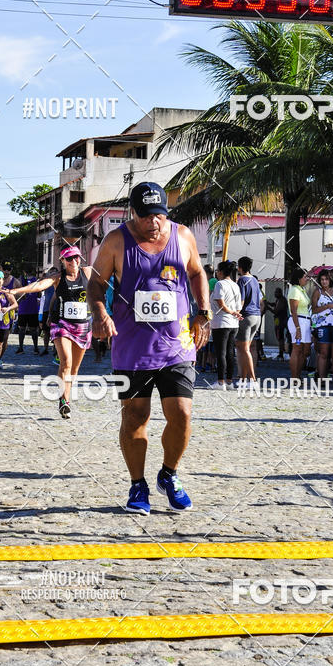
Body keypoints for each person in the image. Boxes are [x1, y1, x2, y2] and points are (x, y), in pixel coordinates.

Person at [87, 181, 209, 516]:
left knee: (182, 413)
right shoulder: (116, 241)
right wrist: (100, 313)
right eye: (146, 216)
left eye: (159, 215)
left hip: (177, 344)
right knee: (135, 416)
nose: (154, 222)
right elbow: (96, 282)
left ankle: (169, 474)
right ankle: (137, 484)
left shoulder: (182, 236)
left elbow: (197, 273)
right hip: (132, 347)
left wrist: (203, 312)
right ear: (133, 213)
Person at [11, 247, 92, 418]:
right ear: (63, 261)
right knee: (66, 362)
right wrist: (17, 290)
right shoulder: (58, 277)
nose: (73, 261)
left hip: (83, 326)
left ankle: (65, 396)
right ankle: (64, 401)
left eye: (76, 257)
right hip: (62, 324)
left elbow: (110, 271)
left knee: (75, 369)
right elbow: (39, 285)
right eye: (69, 259)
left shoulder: (87, 272)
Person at [209, 260, 242, 390]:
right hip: (233, 323)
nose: (217, 273)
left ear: (221, 272)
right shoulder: (235, 285)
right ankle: (229, 381)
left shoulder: (220, 284)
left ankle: (220, 382)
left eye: (217, 271)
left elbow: (221, 304)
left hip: (221, 322)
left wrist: (232, 312)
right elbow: (239, 305)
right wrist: (235, 313)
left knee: (221, 353)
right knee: (230, 352)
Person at [311, 269, 333, 387]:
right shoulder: (317, 292)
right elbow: (314, 310)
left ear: (330, 280)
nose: (324, 282)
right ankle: (321, 380)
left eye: (326, 279)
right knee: (323, 354)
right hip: (323, 326)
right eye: (322, 279)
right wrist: (328, 306)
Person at [236, 256, 262, 385]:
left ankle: (252, 379)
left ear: (240, 267)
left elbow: (241, 301)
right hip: (257, 316)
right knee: (245, 348)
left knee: (244, 349)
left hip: (246, 316)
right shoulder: (255, 280)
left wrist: (236, 312)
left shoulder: (242, 280)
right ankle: (243, 379)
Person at [0, 270, 18, 374]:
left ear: (3, 280)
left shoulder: (6, 292)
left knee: (1, 343)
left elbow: (15, 304)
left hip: (4, 321)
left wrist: (7, 309)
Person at [287, 267, 312, 382]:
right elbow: (294, 311)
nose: (307, 279)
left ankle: (298, 375)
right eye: (305, 277)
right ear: (298, 278)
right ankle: (294, 377)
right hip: (298, 321)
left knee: (305, 351)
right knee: (297, 349)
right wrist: (298, 328)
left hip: (305, 322)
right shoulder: (294, 290)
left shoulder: (301, 289)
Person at [16, 267, 40, 354]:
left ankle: (31, 347)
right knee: (27, 329)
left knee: (27, 329)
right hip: (26, 308)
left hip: (29, 308)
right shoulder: (22, 279)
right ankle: (26, 348)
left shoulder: (35, 280)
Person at [266, 287, 289, 359]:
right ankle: (281, 352)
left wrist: (268, 308)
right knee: (279, 337)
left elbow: (276, 311)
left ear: (280, 293)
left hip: (281, 321)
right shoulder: (278, 299)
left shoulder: (282, 300)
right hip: (278, 321)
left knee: (280, 337)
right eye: (275, 292)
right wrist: (268, 303)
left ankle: (281, 353)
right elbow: (274, 304)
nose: (275, 294)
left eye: (276, 292)